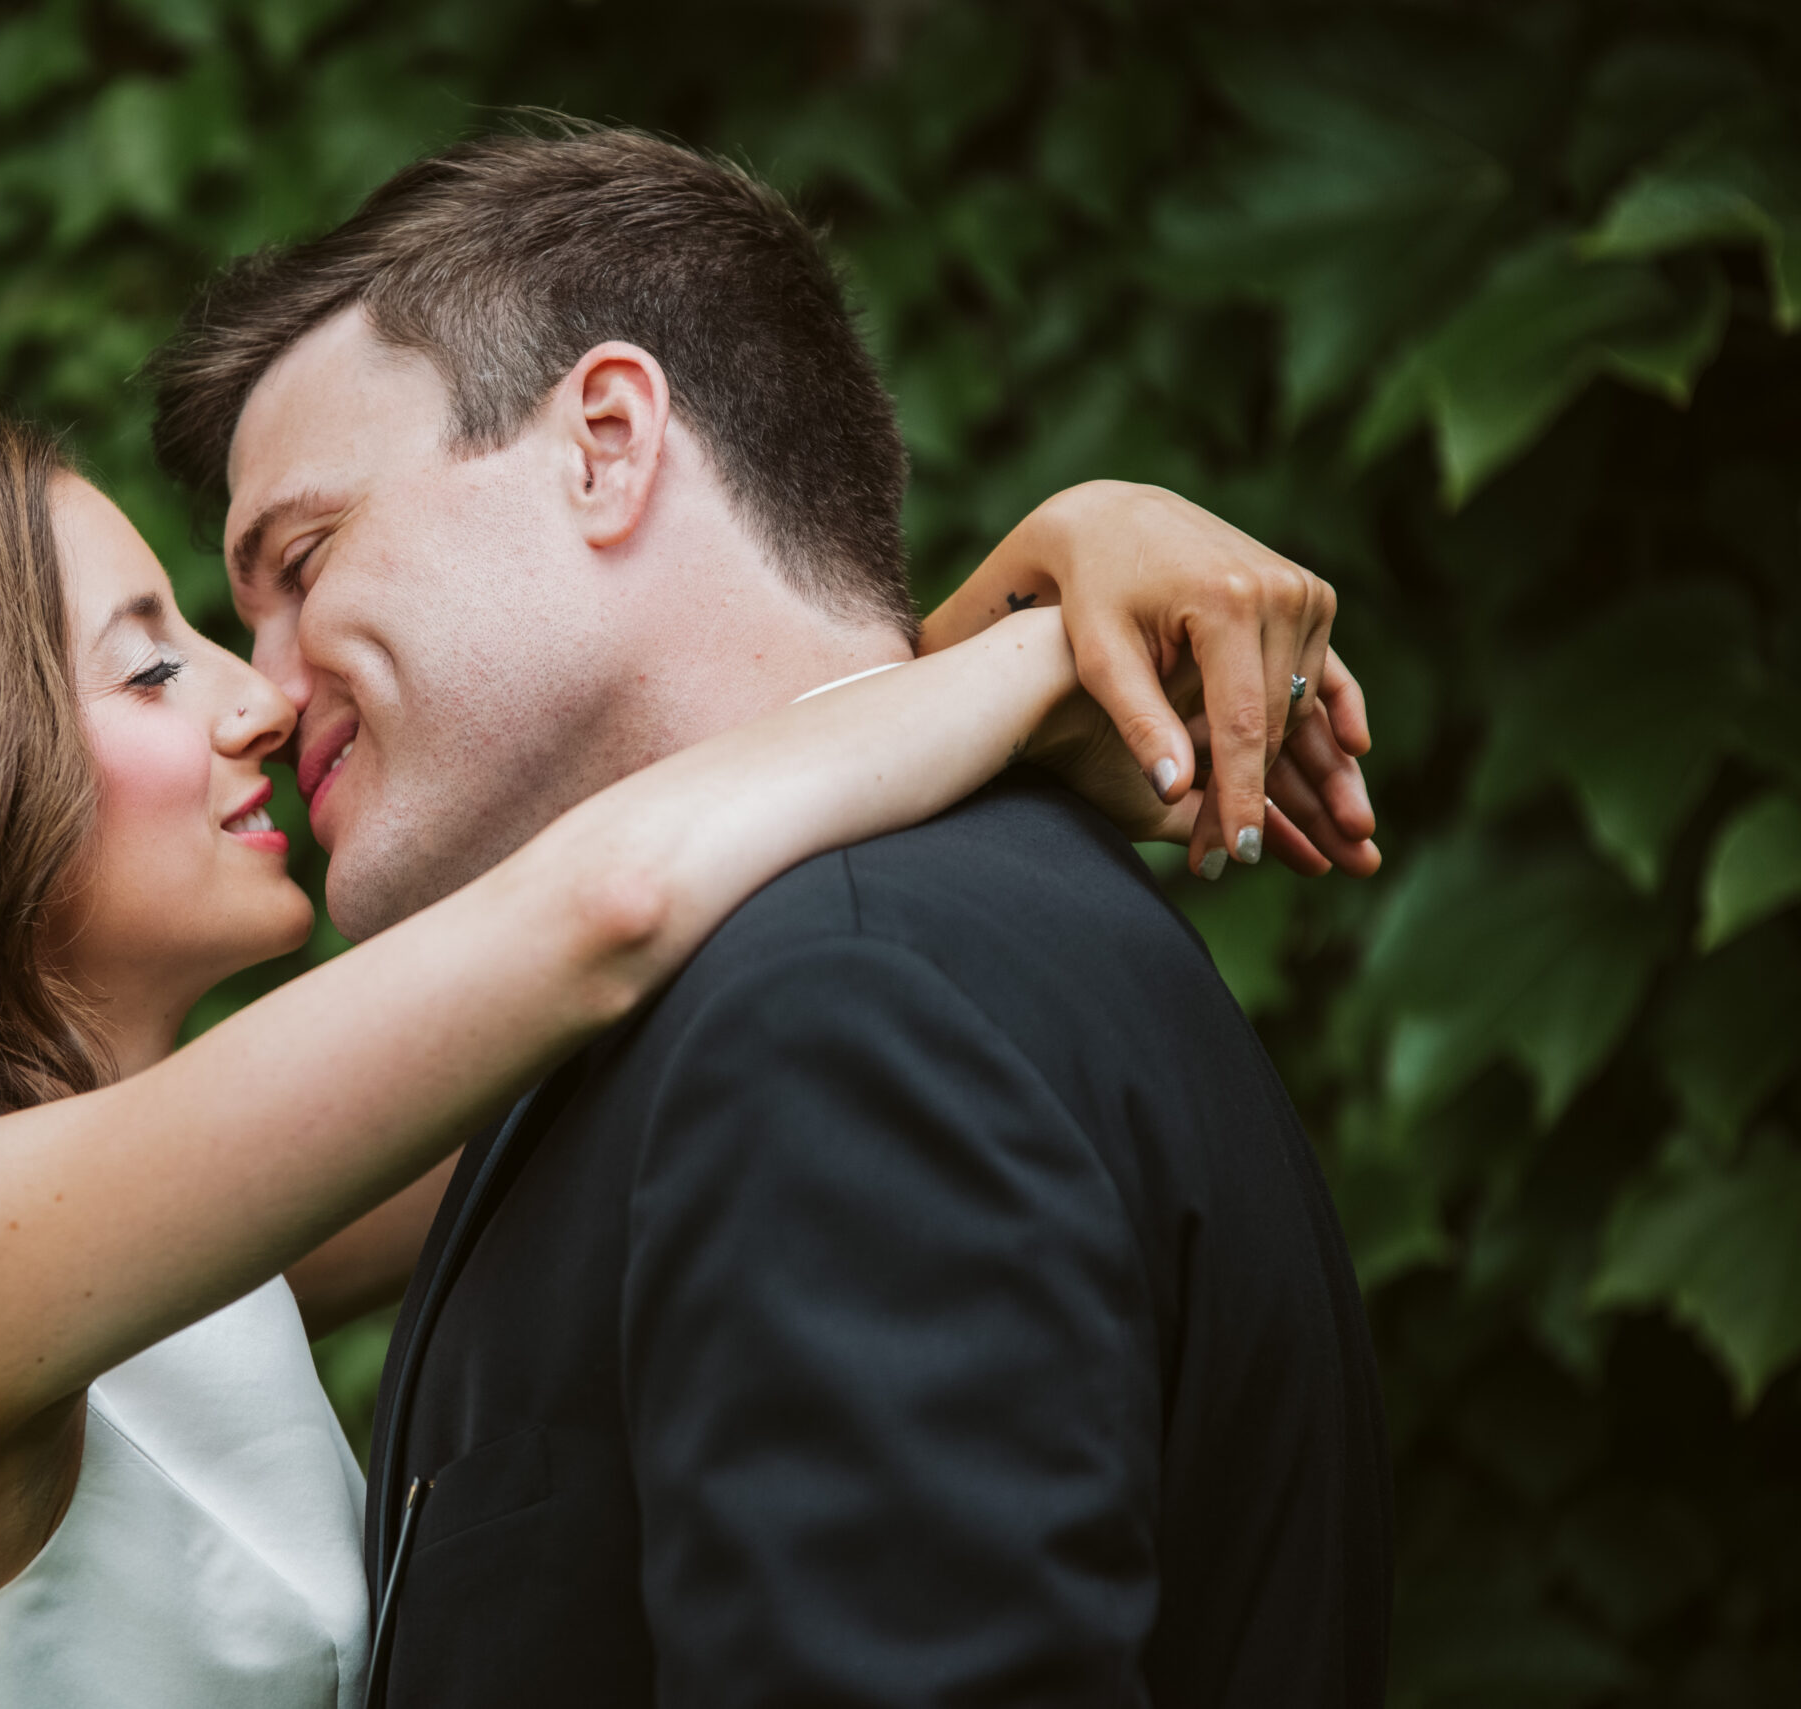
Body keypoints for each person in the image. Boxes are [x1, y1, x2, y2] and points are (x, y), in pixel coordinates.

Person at [0, 403, 1314, 1707]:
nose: (261, 698)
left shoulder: (119, 1272)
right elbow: (609, 916)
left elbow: (646, 1010)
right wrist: (1056, 652)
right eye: (150, 661)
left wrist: (1030, 589)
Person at [146, 127, 1392, 1705]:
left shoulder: (835, 1012)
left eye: (304, 558)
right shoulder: (796, 975)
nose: (263, 689)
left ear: (607, 445)